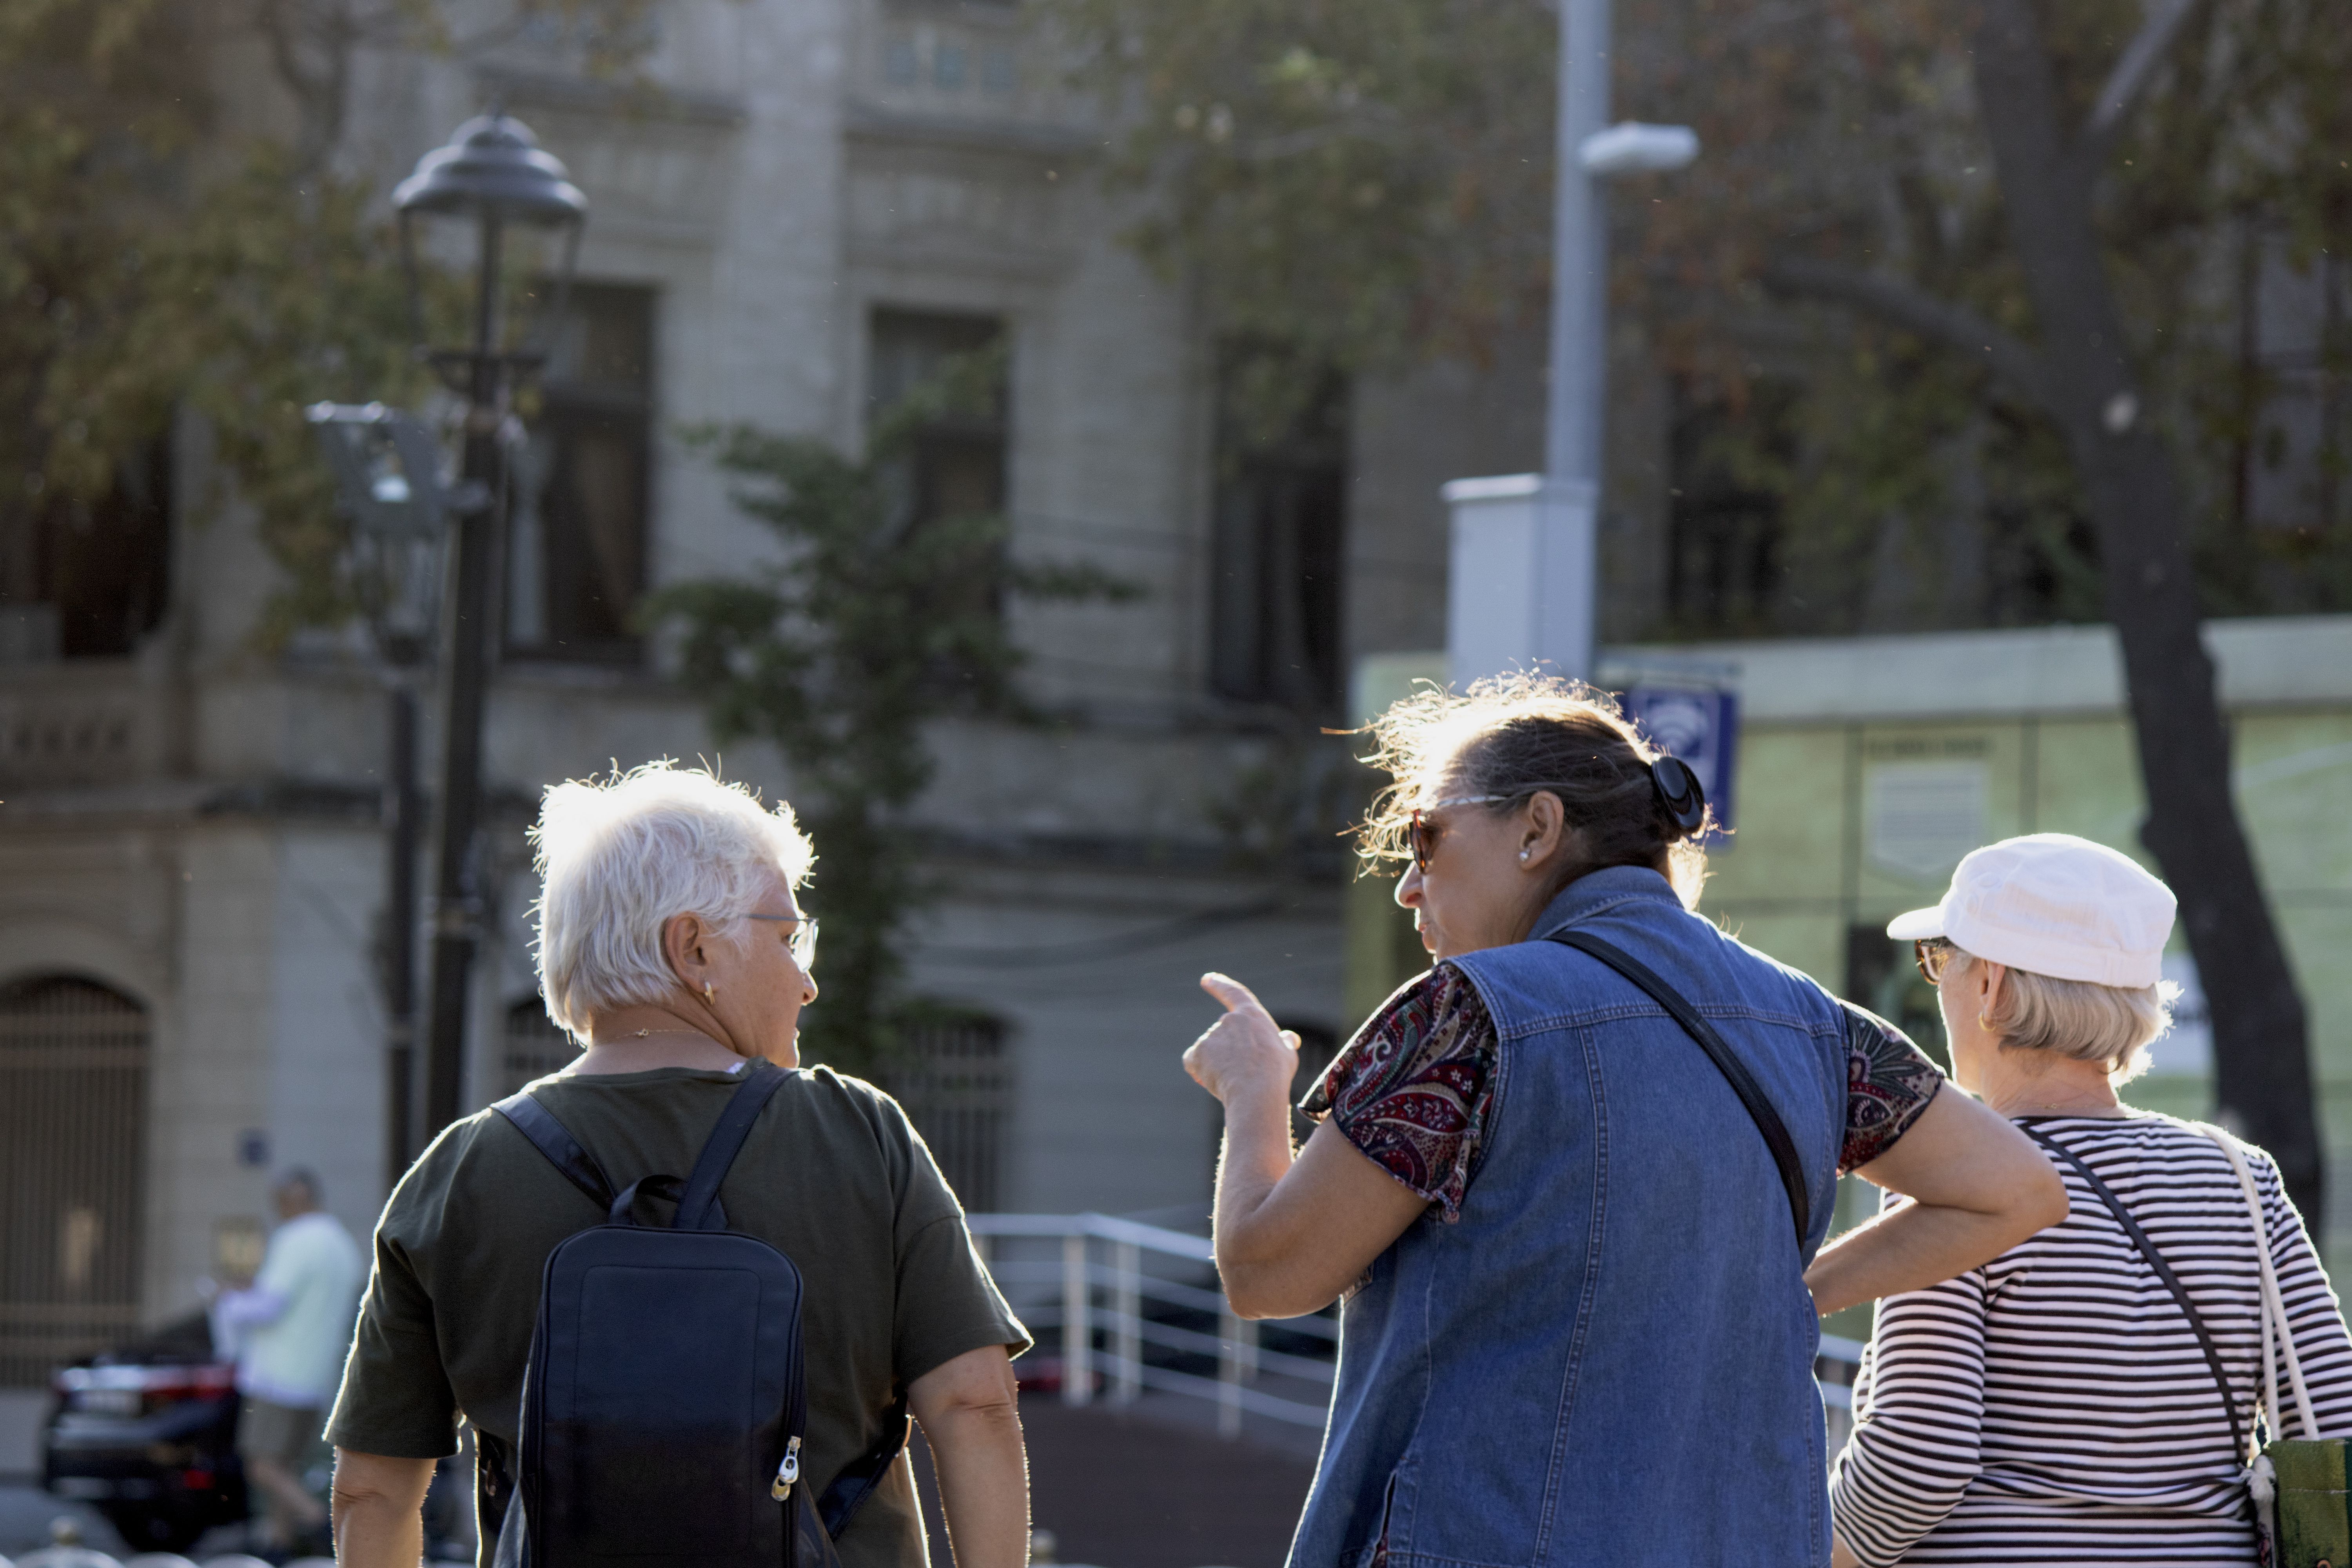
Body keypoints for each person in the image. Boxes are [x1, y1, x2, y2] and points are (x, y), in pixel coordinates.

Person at [1180, 675, 2068, 1568]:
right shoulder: (1814, 1024)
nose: (1410, 885)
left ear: (1538, 828)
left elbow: (1268, 1273)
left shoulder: (1465, 1016)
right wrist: (1788, 1295)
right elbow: (2015, 1189)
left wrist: (1255, 1087)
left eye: (1425, 836)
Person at [325, 762, 1031, 1568]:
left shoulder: (460, 1174)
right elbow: (975, 1404)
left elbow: (371, 1491)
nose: (806, 982)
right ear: (694, 948)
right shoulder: (859, 1135)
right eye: (787, 938)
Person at [1830, 833, 2352, 1566]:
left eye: (1942, 959)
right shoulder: (2244, 1178)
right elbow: (2332, 1421)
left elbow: (1917, 1461)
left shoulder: (1958, 1184)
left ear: (1991, 986)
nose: (1937, 983)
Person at [211, 1166, 365, 1554]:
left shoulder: (295, 1239)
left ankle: (318, 1521)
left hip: (278, 1374)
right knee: (286, 1464)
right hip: (317, 1377)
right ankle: (281, 1543)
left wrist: (231, 1299)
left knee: (261, 1465)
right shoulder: (342, 1243)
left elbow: (269, 1306)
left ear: (291, 1200)